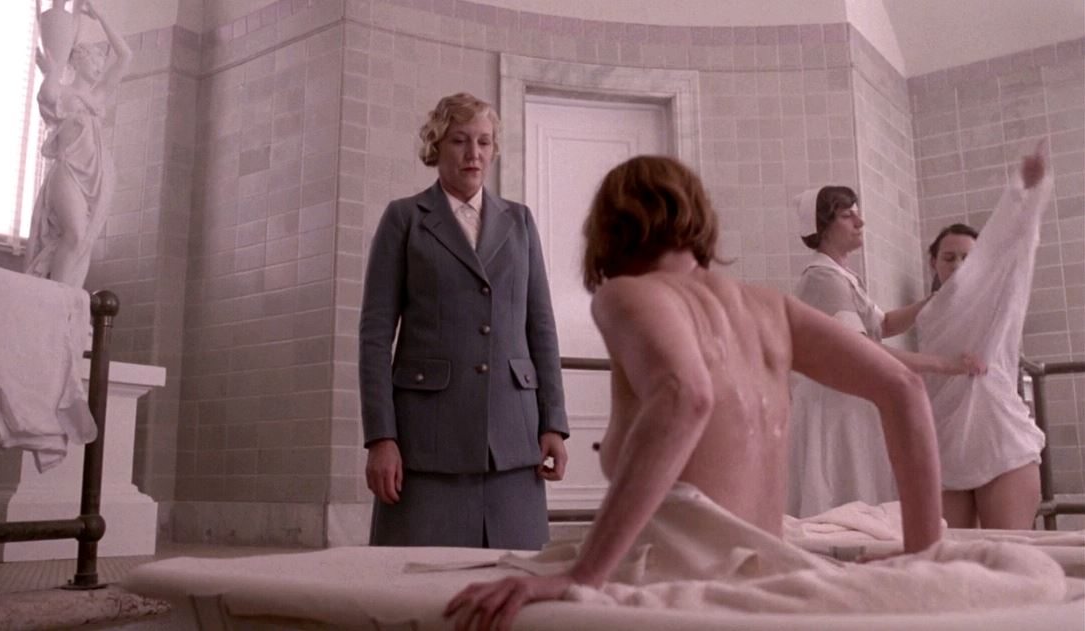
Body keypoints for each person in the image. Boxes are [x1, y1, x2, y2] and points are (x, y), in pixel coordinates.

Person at [444, 155, 944, 630]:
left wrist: (582, 575)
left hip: (681, 579)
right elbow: (903, 387)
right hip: (771, 571)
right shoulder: (772, 308)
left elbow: (684, 395)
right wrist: (921, 554)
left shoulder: (627, 294)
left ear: (610, 228)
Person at [359, 93, 569, 550]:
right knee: (413, 583)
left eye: (484, 142)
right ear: (436, 146)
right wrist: (381, 437)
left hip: (513, 441)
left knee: (514, 580)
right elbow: (374, 337)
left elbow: (541, 328)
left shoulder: (520, 222)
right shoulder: (404, 219)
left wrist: (553, 422)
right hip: (427, 442)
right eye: (459, 140)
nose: (473, 153)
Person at [785, 185, 984, 517]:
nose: (860, 222)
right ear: (823, 227)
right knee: (844, 504)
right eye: (847, 215)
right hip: (835, 409)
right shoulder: (822, 279)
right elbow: (861, 350)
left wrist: (936, 300)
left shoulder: (843, 277)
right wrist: (944, 364)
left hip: (849, 402)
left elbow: (885, 324)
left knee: (859, 503)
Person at [917, 143, 1051, 529]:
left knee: (1008, 556)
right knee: (950, 557)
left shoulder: (999, 297)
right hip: (945, 445)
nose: (959, 265)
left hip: (1001, 443)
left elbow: (1018, 247)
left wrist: (1025, 193)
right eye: (949, 257)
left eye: (969, 258)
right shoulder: (927, 316)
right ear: (933, 263)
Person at [24, 0, 131, 288]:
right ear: (76, 60)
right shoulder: (61, 93)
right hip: (68, 171)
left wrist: (101, 15)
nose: (98, 65)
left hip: (95, 176)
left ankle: (66, 295)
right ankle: (58, 296)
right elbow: (48, 92)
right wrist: (53, 67)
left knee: (82, 241)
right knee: (74, 234)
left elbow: (125, 56)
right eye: (93, 59)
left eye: (100, 61)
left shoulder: (98, 97)